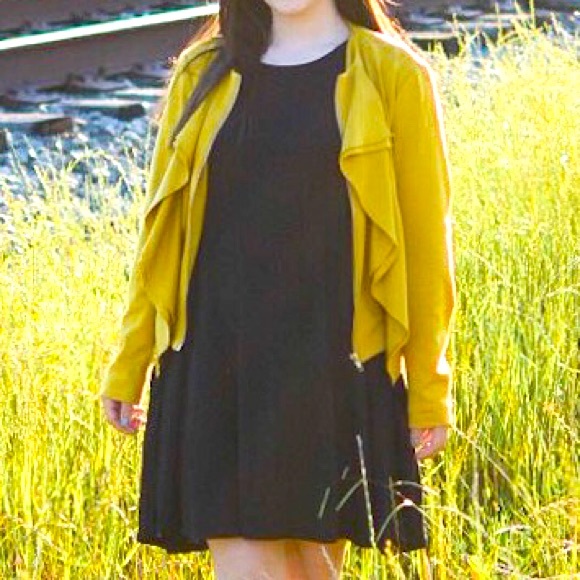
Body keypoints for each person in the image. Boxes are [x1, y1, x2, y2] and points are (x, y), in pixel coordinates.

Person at [100, 0, 456, 577]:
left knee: (314, 567)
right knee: (246, 563)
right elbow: (162, 237)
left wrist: (428, 389)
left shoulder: (394, 74)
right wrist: (131, 360)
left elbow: (424, 245)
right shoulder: (202, 70)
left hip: (330, 365)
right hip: (215, 364)